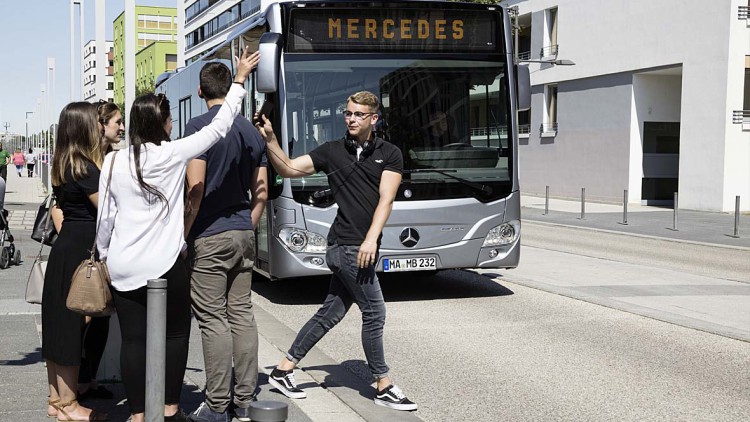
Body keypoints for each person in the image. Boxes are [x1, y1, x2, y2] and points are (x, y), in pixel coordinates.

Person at [96, 47, 259, 422]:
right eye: (169, 119)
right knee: (174, 335)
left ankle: (138, 414)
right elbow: (219, 127)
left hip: (123, 264)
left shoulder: (114, 160)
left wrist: (105, 255)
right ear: (163, 123)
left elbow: (106, 217)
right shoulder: (173, 154)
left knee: (134, 340)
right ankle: (170, 408)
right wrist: (238, 81)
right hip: (167, 263)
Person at [257, 91, 418, 411]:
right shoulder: (332, 151)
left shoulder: (390, 153)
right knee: (375, 312)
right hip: (345, 247)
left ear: (374, 119)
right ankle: (383, 383)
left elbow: (386, 200)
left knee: (329, 313)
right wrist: (271, 139)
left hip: (361, 245)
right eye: (348, 113)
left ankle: (283, 370)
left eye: (359, 115)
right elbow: (289, 168)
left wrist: (371, 239)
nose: (351, 119)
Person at [183, 62, 268, 422]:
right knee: (242, 315)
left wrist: (183, 234)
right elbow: (261, 192)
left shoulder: (198, 128)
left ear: (201, 91)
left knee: (212, 318)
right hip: (243, 233)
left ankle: (217, 405)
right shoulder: (250, 131)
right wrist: (246, 226)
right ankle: (245, 400)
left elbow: (195, 188)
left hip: (210, 235)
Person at [42, 101, 107, 422]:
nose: (100, 125)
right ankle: (70, 405)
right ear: (83, 126)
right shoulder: (85, 166)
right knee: (69, 328)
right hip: (81, 249)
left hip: (63, 247)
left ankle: (56, 400)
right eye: (96, 121)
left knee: (56, 326)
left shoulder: (62, 163)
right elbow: (107, 209)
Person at [76, 100, 124, 402]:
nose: (122, 127)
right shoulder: (88, 164)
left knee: (103, 315)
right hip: (88, 247)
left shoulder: (113, 158)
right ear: (101, 125)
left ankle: (89, 378)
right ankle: (79, 380)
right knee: (86, 314)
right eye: (117, 121)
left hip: (107, 247)